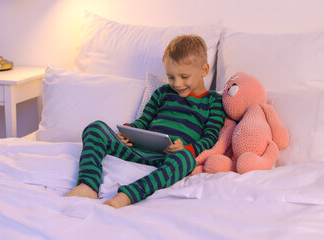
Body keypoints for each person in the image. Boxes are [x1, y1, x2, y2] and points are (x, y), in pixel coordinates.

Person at [65, 34, 226, 208]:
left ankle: (129, 195)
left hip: (171, 156)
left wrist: (186, 148)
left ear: (204, 70)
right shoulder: (162, 93)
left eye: (184, 77)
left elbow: (210, 138)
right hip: (139, 150)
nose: (177, 83)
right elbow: (143, 121)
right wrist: (128, 131)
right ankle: (87, 185)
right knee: (95, 128)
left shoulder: (214, 101)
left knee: (186, 159)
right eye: (171, 77)